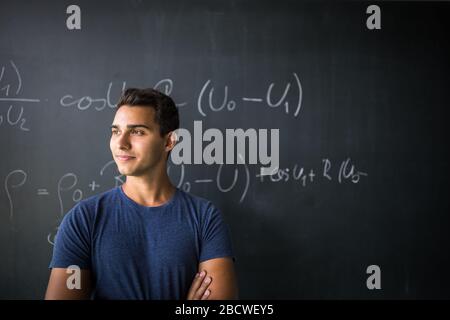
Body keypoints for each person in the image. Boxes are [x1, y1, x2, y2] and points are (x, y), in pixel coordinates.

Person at [45, 88, 238, 300]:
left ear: (169, 142)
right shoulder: (83, 220)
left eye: (137, 131)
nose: (121, 143)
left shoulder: (205, 218)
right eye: (116, 131)